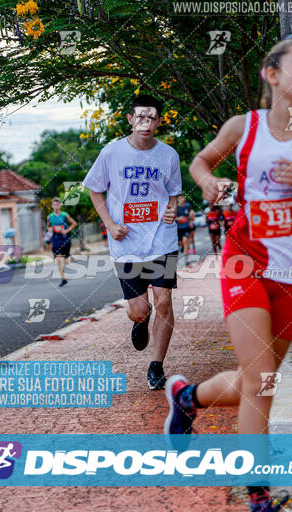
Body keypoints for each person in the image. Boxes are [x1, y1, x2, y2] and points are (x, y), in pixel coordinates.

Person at [164, 38, 292, 512]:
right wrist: (209, 182)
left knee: (257, 377)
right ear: (272, 74)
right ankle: (257, 496)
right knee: (263, 379)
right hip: (245, 261)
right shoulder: (243, 127)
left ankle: (187, 397)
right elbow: (201, 161)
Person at [83, 94, 181, 390]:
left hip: (161, 239)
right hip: (126, 244)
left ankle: (156, 366)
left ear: (159, 121)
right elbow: (94, 189)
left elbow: (174, 192)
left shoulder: (169, 155)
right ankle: (140, 321)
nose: (146, 123)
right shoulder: (112, 153)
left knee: (164, 302)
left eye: (151, 117)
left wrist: (173, 206)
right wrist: (110, 224)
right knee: (139, 309)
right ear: (130, 119)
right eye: (140, 117)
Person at [46, 197, 77, 287]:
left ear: (60, 205)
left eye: (57, 205)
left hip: (65, 238)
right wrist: (50, 229)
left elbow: (74, 223)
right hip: (55, 239)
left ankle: (68, 256)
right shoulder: (50, 217)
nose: (55, 206)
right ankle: (63, 278)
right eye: (54, 205)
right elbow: (47, 227)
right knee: (59, 259)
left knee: (66, 261)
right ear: (52, 206)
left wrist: (67, 230)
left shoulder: (64, 215)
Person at [175, 194, 193, 265]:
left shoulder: (187, 206)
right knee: (180, 243)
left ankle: (186, 260)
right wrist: (179, 218)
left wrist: (191, 219)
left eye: (182, 198)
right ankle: (181, 247)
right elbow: (173, 217)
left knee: (185, 241)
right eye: (179, 198)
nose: (181, 199)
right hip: (178, 228)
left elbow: (191, 213)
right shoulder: (176, 207)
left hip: (186, 227)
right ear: (177, 199)